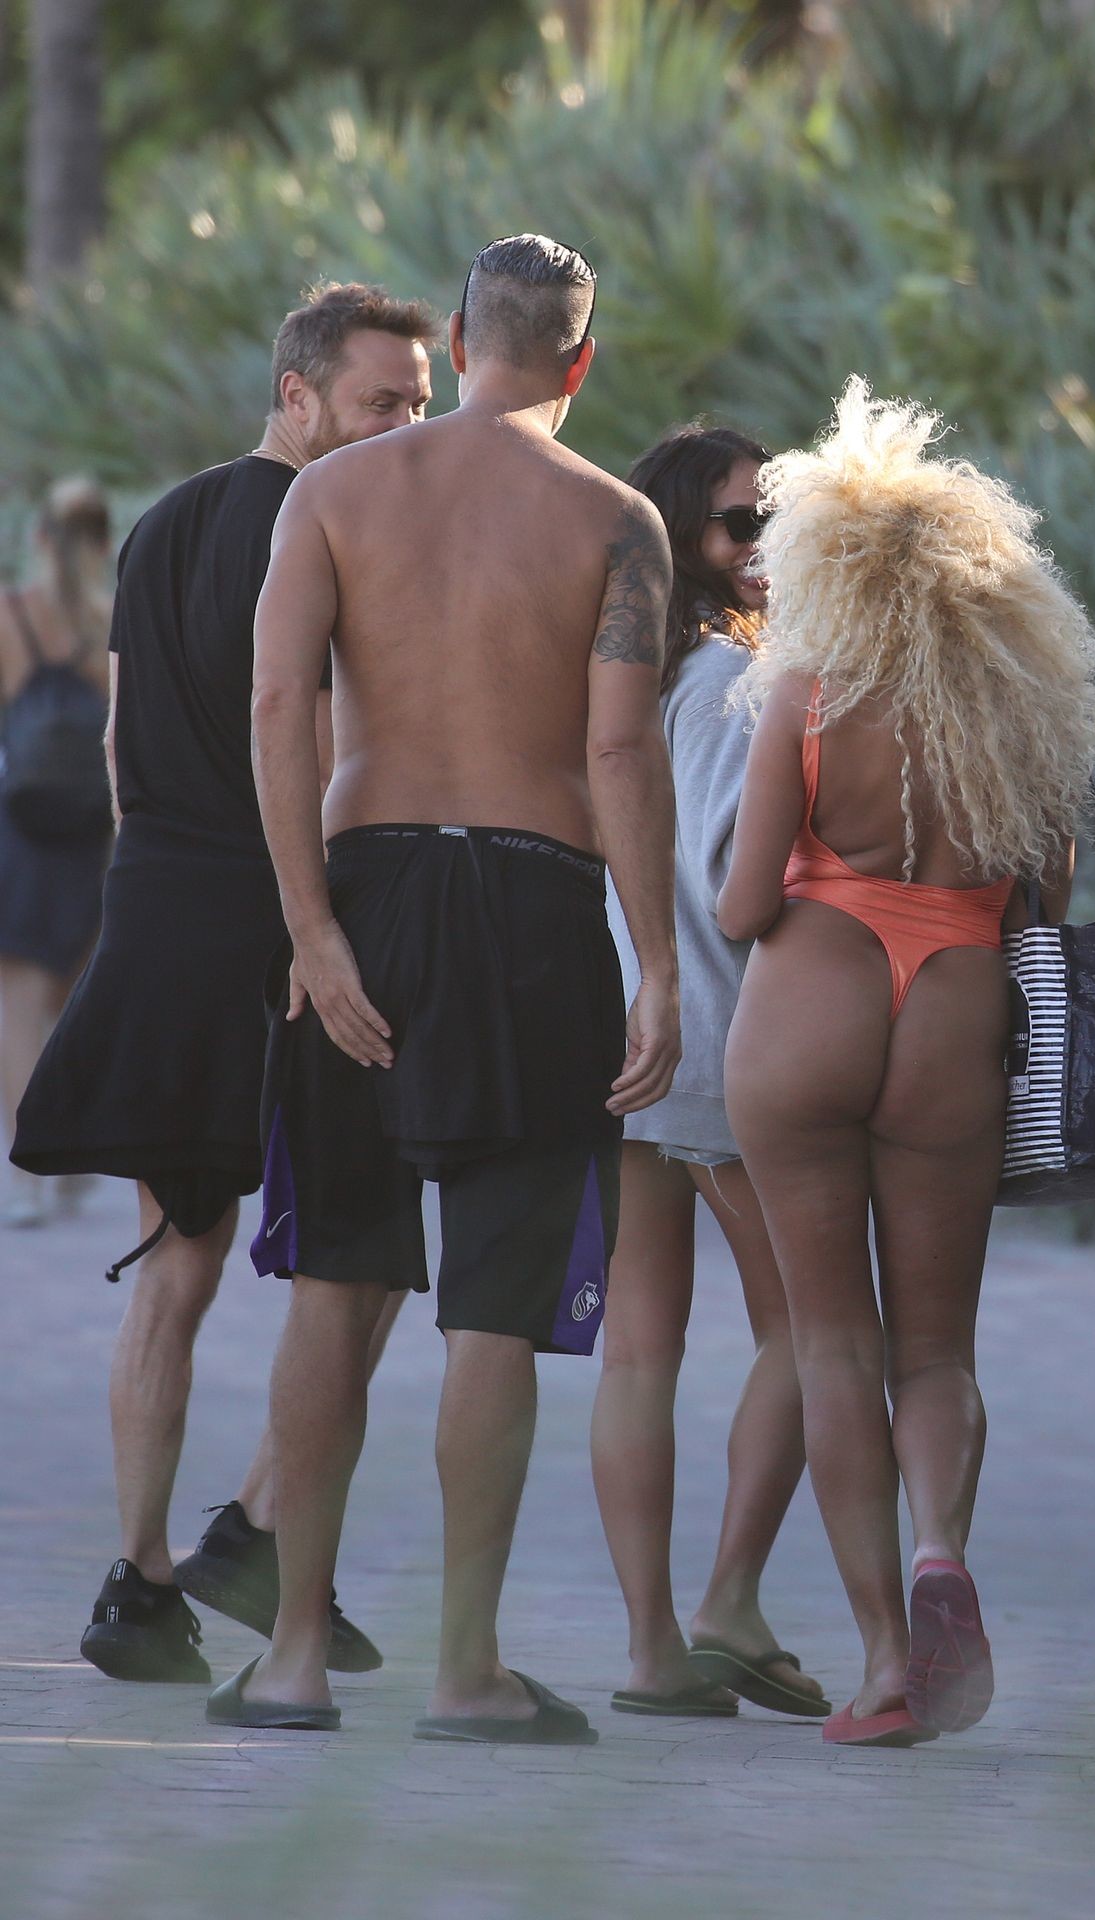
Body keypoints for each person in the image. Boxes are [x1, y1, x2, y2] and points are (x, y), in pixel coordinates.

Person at [207, 233, 680, 1744]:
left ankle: (292, 1658)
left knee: (336, 1281)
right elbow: (620, 751)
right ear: (581, 360)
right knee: (494, 1310)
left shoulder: (333, 493)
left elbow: (274, 703)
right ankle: (467, 1671)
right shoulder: (614, 520)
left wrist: (311, 929)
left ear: (464, 341)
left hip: (367, 891)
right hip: (534, 915)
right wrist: (659, 964)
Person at [12, 282, 440, 1684]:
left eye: (418, 403)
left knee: (175, 1269)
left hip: (160, 912)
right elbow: (313, 740)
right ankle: (251, 1534)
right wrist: (322, 920)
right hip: (292, 918)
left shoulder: (161, 525)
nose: (403, 426)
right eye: (380, 401)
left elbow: (122, 746)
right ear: (296, 394)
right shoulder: (341, 528)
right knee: (360, 1259)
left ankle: (142, 1586)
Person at [718, 379, 1095, 1747]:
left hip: (806, 1007)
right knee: (935, 1351)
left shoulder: (807, 692)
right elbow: (1044, 902)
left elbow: (739, 907)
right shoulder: (1021, 717)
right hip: (953, 1007)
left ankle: (885, 1664)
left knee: (832, 1340)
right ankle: (941, 1549)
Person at [593, 425, 828, 1721]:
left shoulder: (625, 673)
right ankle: (728, 1603)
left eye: (776, 523)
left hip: (625, 1039)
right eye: (741, 524)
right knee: (811, 1328)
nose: (762, 548)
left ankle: (649, 1650)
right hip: (718, 1039)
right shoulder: (734, 682)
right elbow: (736, 881)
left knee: (641, 1352)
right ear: (680, 534)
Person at [0, 479, 113, 1228]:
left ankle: (28, 1176)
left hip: (19, 830)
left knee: (16, 1003)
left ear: (40, 537)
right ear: (102, 544)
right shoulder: (107, 623)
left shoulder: (9, 616)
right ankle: (73, 1154)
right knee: (75, 998)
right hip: (89, 832)